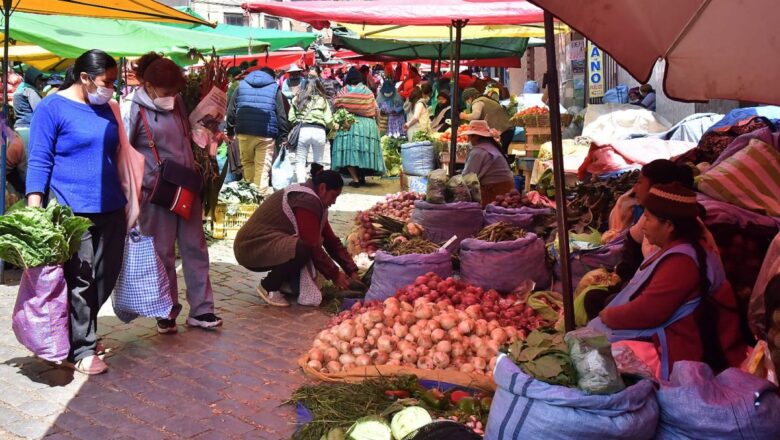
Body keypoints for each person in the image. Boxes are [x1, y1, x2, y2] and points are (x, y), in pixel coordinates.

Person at [25, 50, 126, 375]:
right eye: (106, 81)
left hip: (112, 204)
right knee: (81, 278)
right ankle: (82, 348)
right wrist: (34, 210)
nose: (111, 87)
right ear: (84, 78)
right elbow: (39, 159)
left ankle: (76, 332)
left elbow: (118, 154)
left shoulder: (108, 109)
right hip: (71, 209)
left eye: (114, 81)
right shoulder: (51, 108)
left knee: (106, 274)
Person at [590, 183, 746, 378]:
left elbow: (649, 311)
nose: (643, 224)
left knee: (598, 359)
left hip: (684, 348)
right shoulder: (678, 248)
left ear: (669, 225)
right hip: (671, 332)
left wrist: (608, 315)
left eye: (648, 218)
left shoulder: (682, 262)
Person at [121, 52, 222, 334]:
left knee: (196, 248)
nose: (172, 96)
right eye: (166, 91)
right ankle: (166, 310)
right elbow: (125, 153)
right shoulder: (131, 108)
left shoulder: (176, 101)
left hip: (186, 186)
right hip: (156, 193)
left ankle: (202, 310)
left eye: (175, 91)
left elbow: (185, 133)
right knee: (162, 253)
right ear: (149, 86)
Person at [234, 164, 360, 307]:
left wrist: (352, 270)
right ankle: (269, 286)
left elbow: (331, 241)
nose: (334, 202)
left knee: (302, 247)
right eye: (334, 196)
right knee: (303, 248)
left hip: (264, 244)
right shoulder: (307, 200)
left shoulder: (316, 202)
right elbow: (312, 246)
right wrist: (335, 274)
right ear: (323, 188)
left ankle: (284, 283)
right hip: (250, 247)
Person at [226, 66, 288, 195]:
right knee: (262, 168)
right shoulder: (274, 88)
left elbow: (231, 110)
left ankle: (249, 197)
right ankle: (259, 200)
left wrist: (230, 130)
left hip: (244, 131)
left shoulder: (240, 86)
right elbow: (281, 114)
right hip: (265, 133)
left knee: (247, 164)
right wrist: (284, 135)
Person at [332, 67, 385, 187]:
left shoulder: (344, 91)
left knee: (349, 152)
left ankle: (355, 178)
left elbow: (335, 104)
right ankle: (362, 177)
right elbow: (376, 109)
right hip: (367, 125)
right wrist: (378, 125)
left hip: (349, 124)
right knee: (363, 151)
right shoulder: (367, 91)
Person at [289, 75, 333, 183]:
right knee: (318, 161)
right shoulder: (322, 100)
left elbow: (291, 118)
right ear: (318, 86)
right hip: (319, 131)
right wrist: (332, 128)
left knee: (300, 160)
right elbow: (328, 120)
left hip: (303, 130)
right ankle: (317, 184)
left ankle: (301, 185)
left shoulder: (297, 98)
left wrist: (298, 122)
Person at [461, 120, 515, 206]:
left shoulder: (479, 151)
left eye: (469, 136)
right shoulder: (490, 146)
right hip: (506, 192)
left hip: (495, 194)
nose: (469, 140)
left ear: (475, 136)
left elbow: (468, 177)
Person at [460, 87, 514, 155]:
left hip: (503, 132)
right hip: (507, 129)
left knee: (498, 155)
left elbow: (476, 116)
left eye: (466, 101)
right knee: (501, 154)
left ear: (470, 98)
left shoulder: (477, 102)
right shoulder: (485, 100)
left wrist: (464, 116)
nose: (467, 103)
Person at [13, 67, 46, 132]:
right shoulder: (30, 91)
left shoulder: (20, 89)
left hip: (19, 126)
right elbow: (40, 110)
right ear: (32, 79)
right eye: (39, 80)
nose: (40, 82)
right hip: (29, 127)